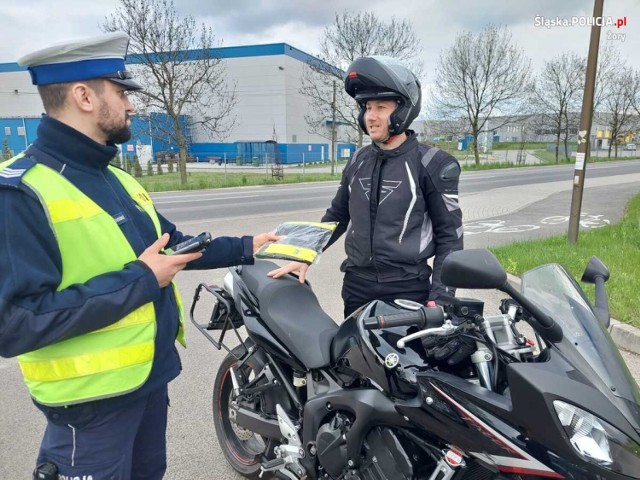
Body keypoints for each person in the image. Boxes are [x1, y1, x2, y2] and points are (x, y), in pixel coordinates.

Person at [0, 32, 278, 479]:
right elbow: (13, 324)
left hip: (147, 385)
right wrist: (141, 280)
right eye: (122, 91)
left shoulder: (115, 178)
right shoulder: (21, 192)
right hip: (89, 410)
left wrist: (249, 246)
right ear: (84, 96)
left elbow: (172, 245)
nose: (132, 105)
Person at [269, 56, 463, 317]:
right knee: (352, 356)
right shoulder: (358, 160)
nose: (370, 116)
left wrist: (441, 298)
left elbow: (450, 237)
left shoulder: (432, 163)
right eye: (367, 107)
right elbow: (336, 217)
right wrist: (304, 255)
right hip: (357, 286)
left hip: (407, 288)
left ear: (403, 110)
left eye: (380, 107)